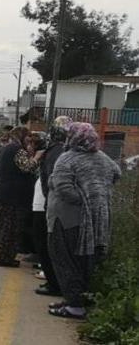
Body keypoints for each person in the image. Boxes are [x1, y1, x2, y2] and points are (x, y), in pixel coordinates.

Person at [47, 122, 121, 319]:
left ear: (72, 137)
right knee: (84, 260)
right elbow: (117, 173)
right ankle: (74, 299)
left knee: (65, 259)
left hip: (68, 218)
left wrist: (83, 198)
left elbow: (62, 187)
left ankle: (75, 305)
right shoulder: (103, 158)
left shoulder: (67, 158)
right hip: (97, 219)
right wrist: (97, 193)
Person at [0, 126, 41, 267]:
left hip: (1, 193)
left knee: (0, 227)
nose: (29, 142)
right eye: (27, 138)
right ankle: (5, 258)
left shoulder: (5, 149)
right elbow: (27, 167)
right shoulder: (16, 150)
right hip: (11, 196)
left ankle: (3, 255)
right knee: (10, 228)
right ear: (21, 137)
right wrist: (36, 157)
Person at [33, 116, 72, 297]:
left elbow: (51, 180)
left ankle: (55, 284)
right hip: (53, 205)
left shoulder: (56, 151)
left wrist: (51, 202)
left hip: (50, 206)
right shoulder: (63, 151)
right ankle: (55, 283)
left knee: (49, 247)